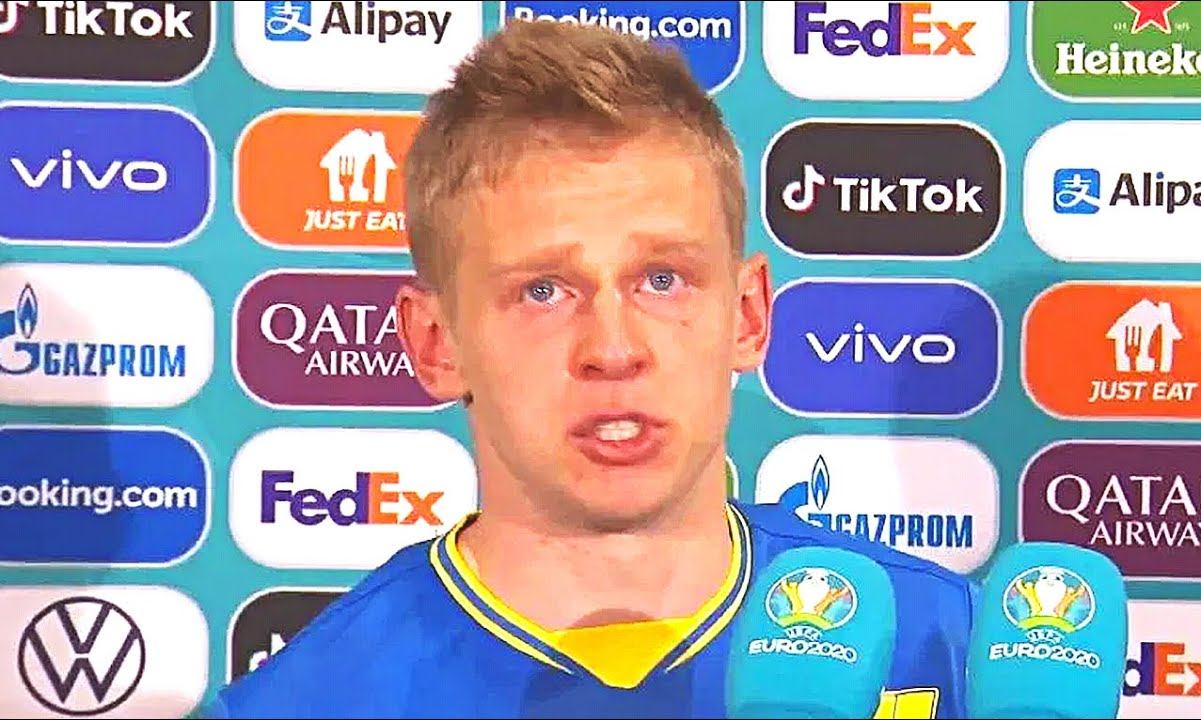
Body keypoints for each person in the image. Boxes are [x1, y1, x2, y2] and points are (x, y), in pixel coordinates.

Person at [205, 19, 976, 719]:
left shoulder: (945, 651)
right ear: (436, 343)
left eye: (663, 280)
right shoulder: (308, 701)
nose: (613, 349)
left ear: (748, 316)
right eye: (543, 291)